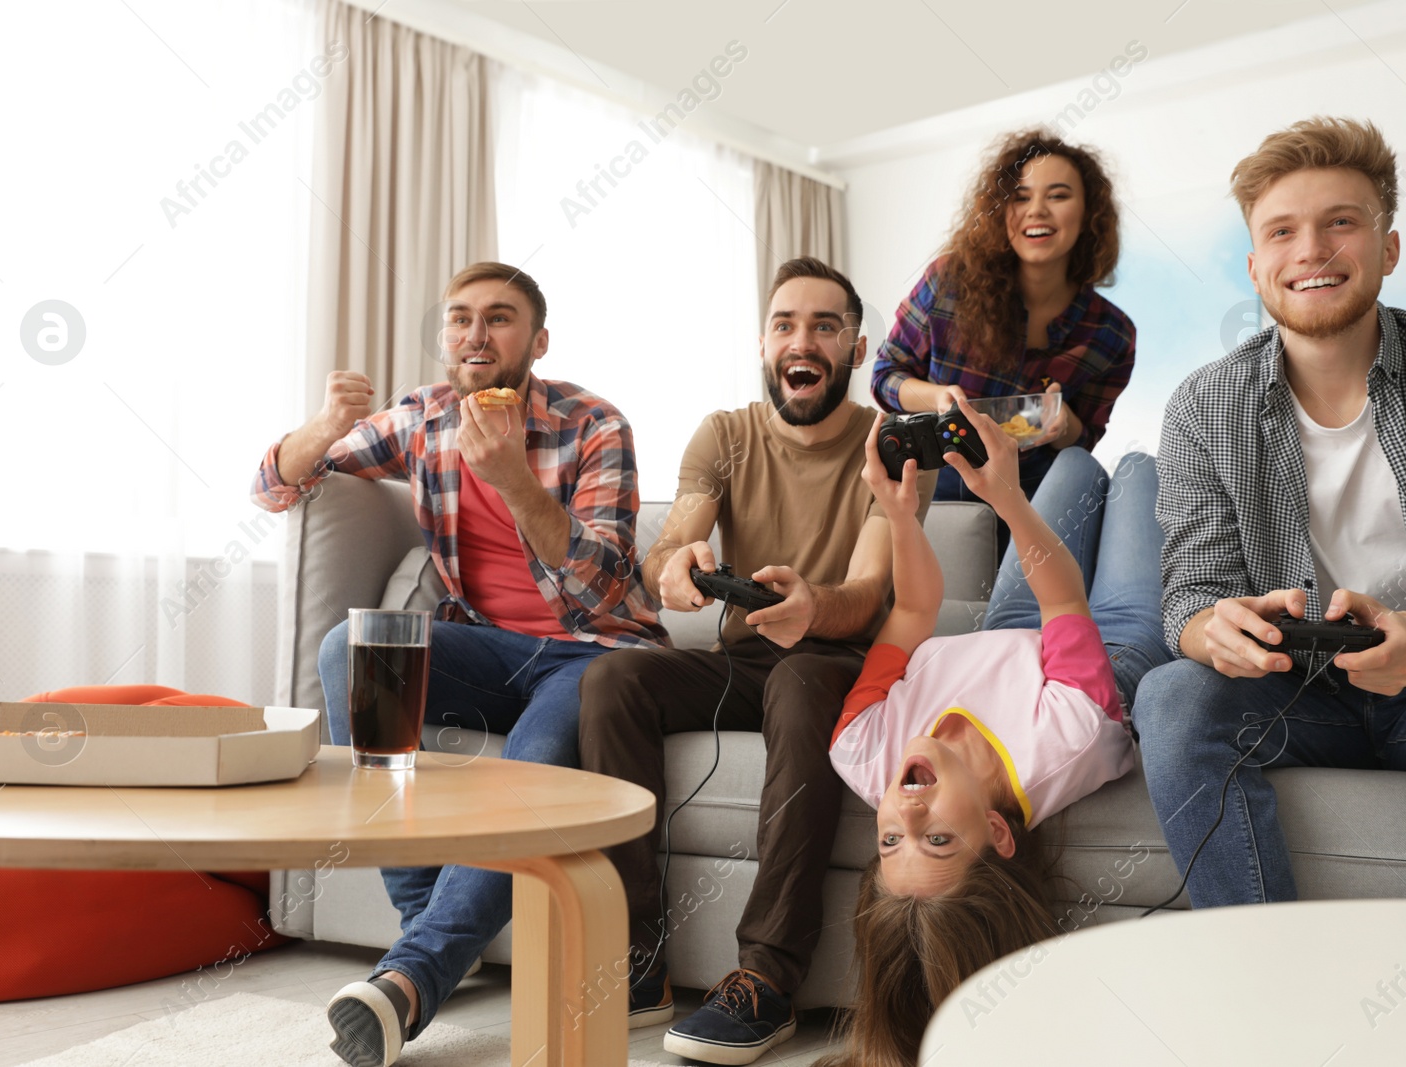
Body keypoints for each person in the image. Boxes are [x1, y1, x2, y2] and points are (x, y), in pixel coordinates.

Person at [249, 261, 667, 1067]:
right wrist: (321, 424)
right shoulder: (424, 418)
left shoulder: (595, 425)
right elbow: (275, 485)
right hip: (485, 646)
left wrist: (512, 479)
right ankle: (428, 920)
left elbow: (606, 581)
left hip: (594, 652)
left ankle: (411, 976)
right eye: (461, 318)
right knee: (352, 649)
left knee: (534, 760)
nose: (477, 334)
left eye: (500, 318)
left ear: (537, 341)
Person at [577, 256, 932, 1064]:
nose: (800, 340)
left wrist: (813, 606)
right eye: (784, 324)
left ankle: (766, 980)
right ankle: (636, 962)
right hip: (741, 664)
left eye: (824, 326)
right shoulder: (725, 434)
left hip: (834, 662)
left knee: (804, 677)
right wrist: (676, 565)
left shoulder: (889, 444)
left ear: (855, 347)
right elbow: (674, 541)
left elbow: (872, 590)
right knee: (613, 679)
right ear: (764, 343)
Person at [1135, 117, 1406, 909]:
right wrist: (1218, 631)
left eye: (1340, 222)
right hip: (1295, 692)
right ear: (1256, 266)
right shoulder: (1205, 406)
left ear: (1388, 249)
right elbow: (1187, 599)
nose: (1310, 249)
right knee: (1170, 696)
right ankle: (1265, 981)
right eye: (1283, 231)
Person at [818, 402, 1168, 1067]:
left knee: (1069, 464)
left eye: (891, 838)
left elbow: (915, 610)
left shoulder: (860, 747)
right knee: (1139, 472)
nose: (908, 809)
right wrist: (1006, 500)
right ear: (999, 833)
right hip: (1111, 639)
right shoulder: (1064, 741)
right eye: (939, 838)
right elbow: (1066, 604)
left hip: (1005, 624)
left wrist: (897, 513)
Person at [870, 129, 1136, 537]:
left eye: (1058, 195)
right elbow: (885, 375)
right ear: (1000, 210)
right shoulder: (949, 281)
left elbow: (1085, 440)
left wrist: (1065, 427)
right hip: (939, 494)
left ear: (1089, 213)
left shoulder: (1112, 333)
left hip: (1033, 504)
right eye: (1021, 196)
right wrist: (939, 397)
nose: (1037, 210)